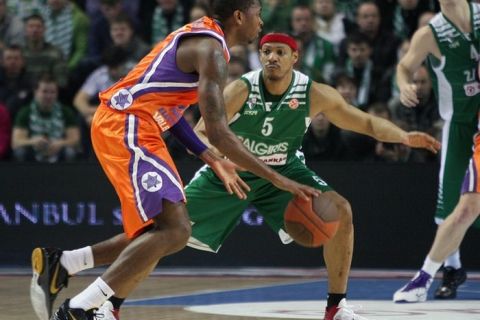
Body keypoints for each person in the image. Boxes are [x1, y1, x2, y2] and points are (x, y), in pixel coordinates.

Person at [32, 32, 440, 320]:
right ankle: (96, 291)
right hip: (229, 174)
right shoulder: (241, 88)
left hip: (284, 171)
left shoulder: (313, 92)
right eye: (266, 52)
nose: (272, 58)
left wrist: (405, 135)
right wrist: (236, 162)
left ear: (294, 58)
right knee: (160, 236)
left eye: (280, 52)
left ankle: (336, 306)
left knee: (342, 212)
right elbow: (206, 131)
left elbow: (365, 122)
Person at [31, 2, 320, 320]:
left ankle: (66, 264)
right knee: (177, 229)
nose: (261, 22)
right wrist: (278, 178)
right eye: (258, 14)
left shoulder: (203, 35)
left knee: (156, 234)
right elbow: (220, 132)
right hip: (126, 124)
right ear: (239, 16)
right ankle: (79, 309)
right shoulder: (211, 49)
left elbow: (171, 110)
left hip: (137, 125)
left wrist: (209, 156)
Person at [393, 0, 480, 303]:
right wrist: (404, 85)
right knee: (450, 209)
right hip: (459, 126)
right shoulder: (430, 34)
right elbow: (404, 68)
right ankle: (452, 269)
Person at [11, 74, 80, 163]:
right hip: (32, 154)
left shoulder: (65, 112)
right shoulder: (25, 112)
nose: (49, 96)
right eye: (45, 92)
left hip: (58, 152)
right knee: (20, 152)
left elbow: (75, 140)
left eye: (52, 92)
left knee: (70, 152)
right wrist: (33, 142)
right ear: (35, 92)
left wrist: (59, 144)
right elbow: (16, 142)